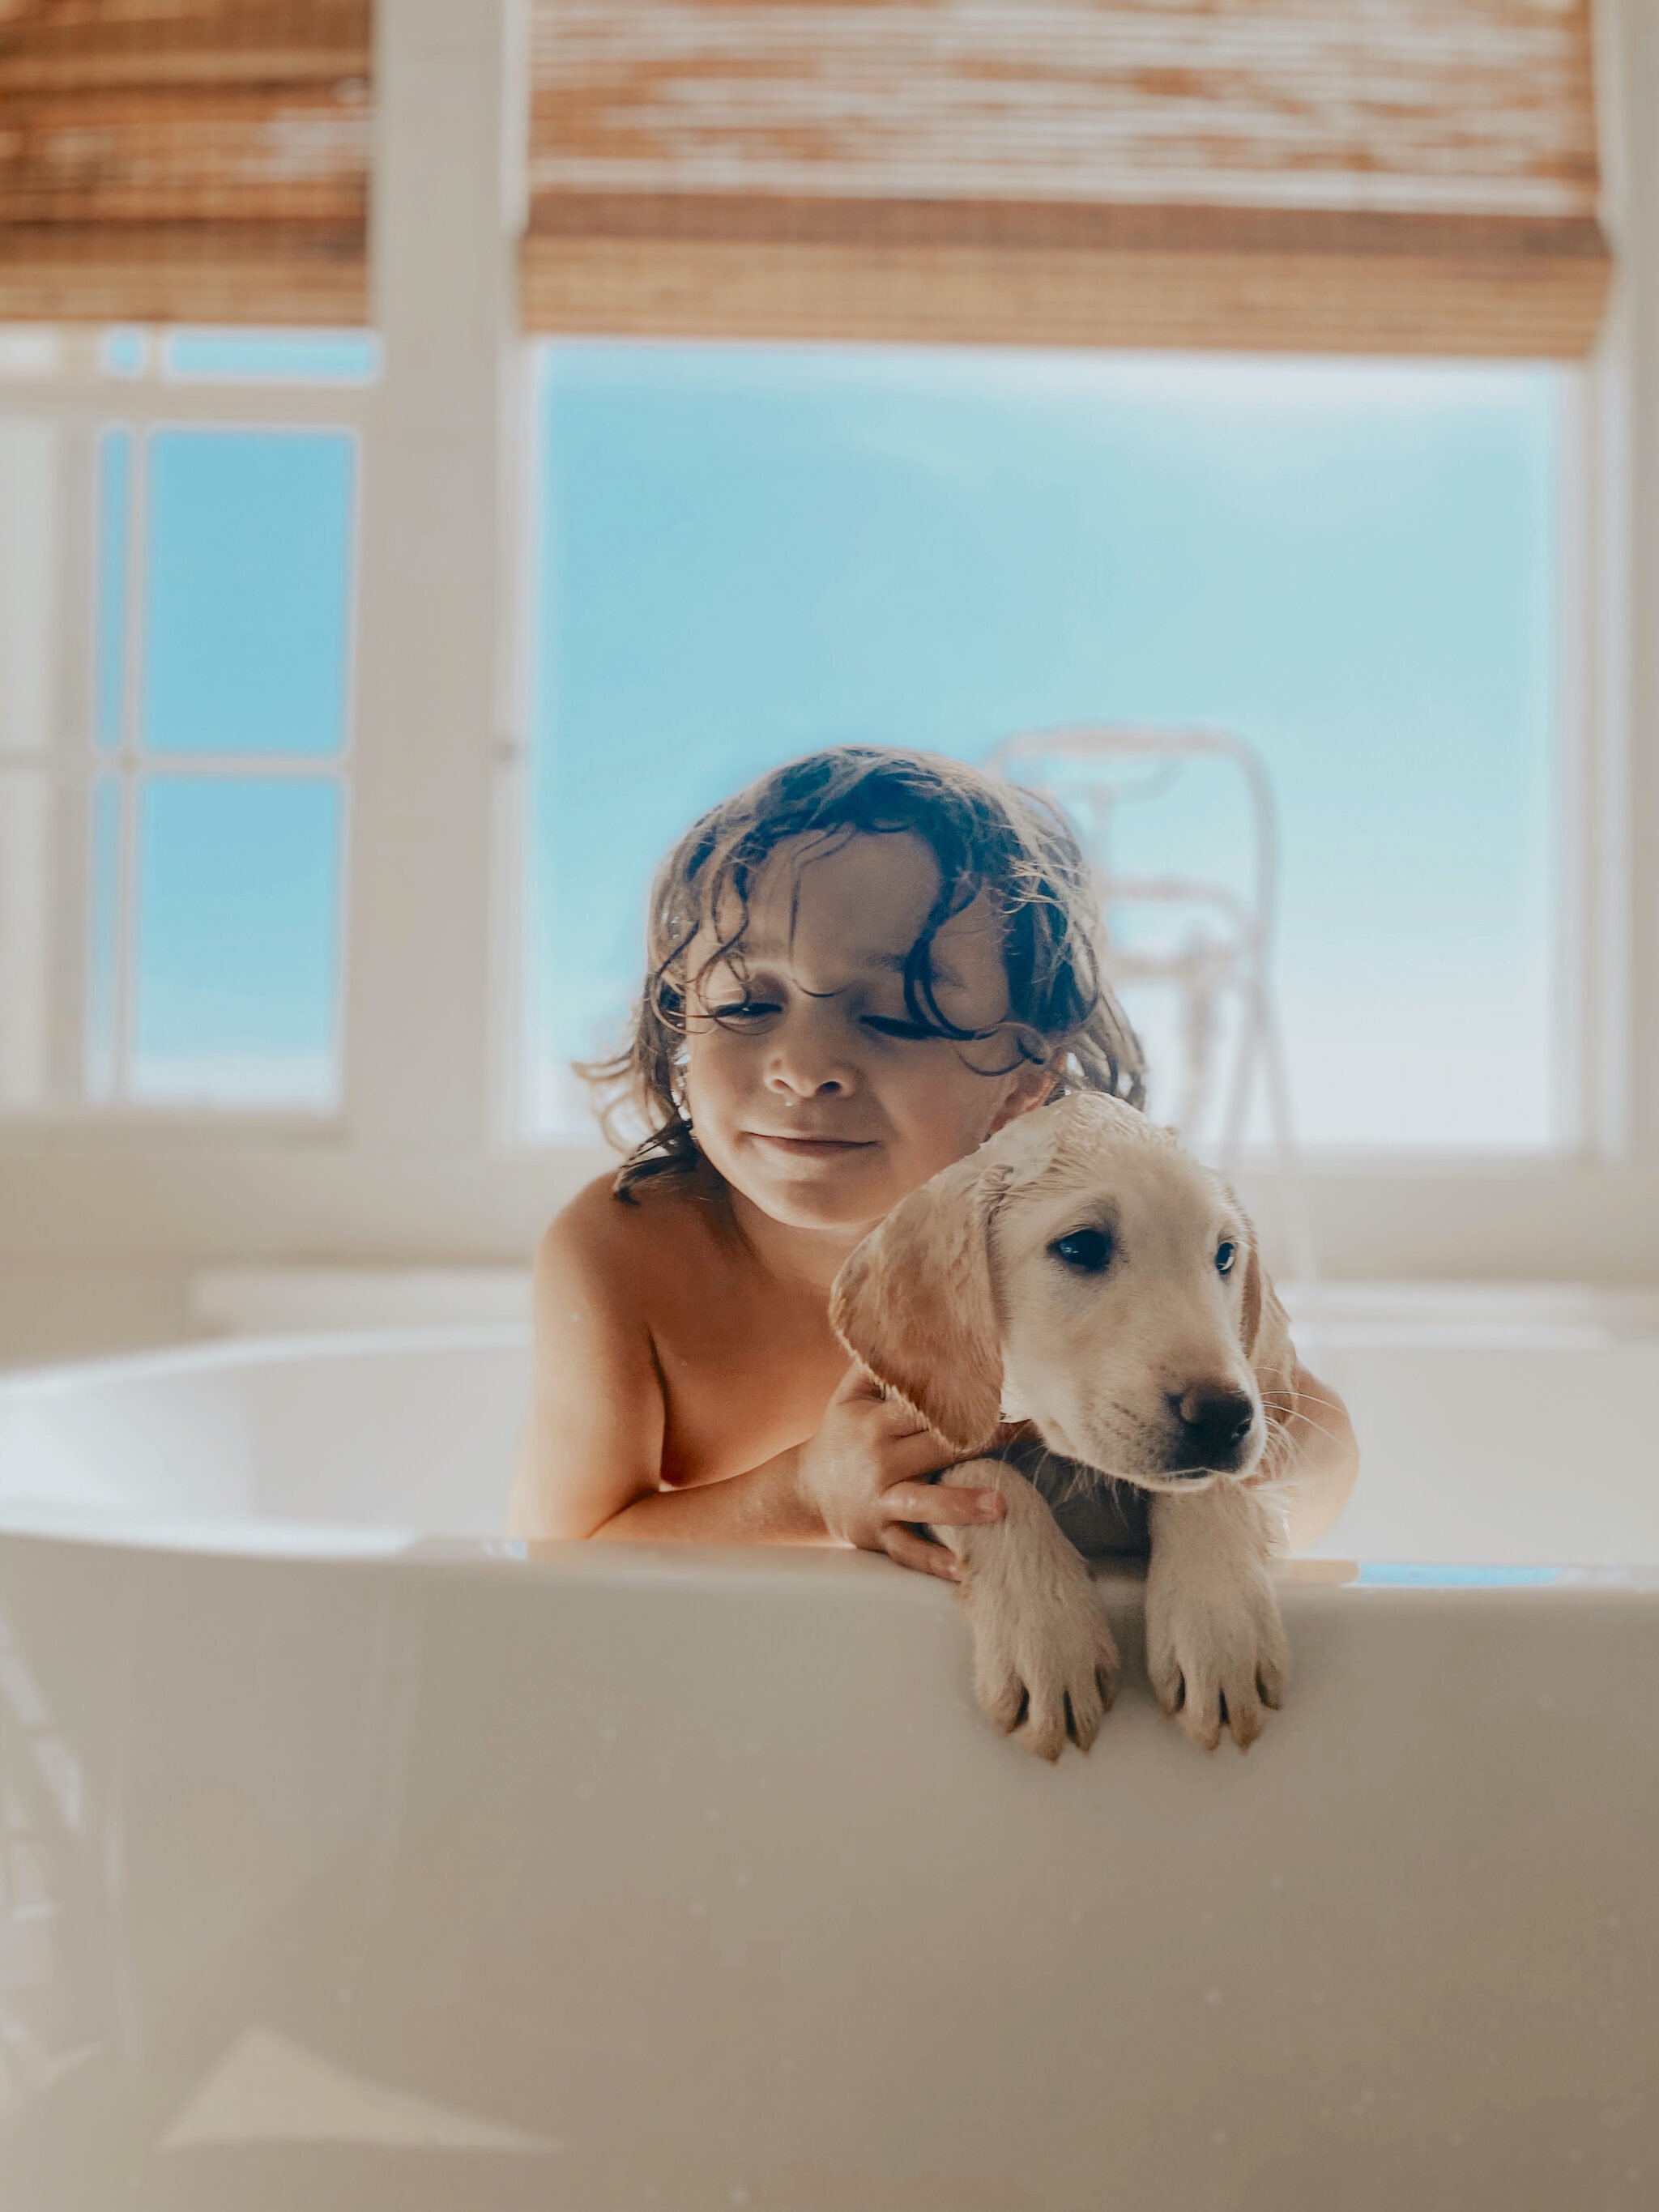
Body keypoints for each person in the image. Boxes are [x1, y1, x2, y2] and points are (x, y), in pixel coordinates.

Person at [508, 746, 1358, 1576]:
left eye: (897, 1018)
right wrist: (803, 1495)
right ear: (675, 1015)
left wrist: (1206, 1509)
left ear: (1024, 1082)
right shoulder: (626, 1255)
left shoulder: (1088, 1235)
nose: (803, 1067)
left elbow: (1319, 1454)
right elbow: (558, 1560)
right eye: (746, 1001)